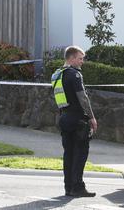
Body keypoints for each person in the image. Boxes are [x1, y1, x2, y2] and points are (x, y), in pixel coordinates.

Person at [52, 46, 98, 197]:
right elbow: (82, 98)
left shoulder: (57, 75)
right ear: (71, 58)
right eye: (80, 58)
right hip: (77, 118)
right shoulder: (74, 74)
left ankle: (68, 187)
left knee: (69, 154)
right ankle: (77, 187)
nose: (82, 62)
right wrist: (91, 117)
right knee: (80, 153)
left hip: (64, 117)